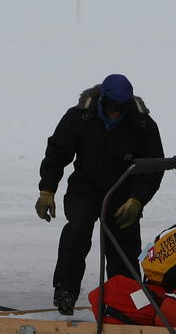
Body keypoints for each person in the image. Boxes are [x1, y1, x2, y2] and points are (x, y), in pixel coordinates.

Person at [36, 74, 165, 314]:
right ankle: (65, 291)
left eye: (121, 108)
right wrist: (47, 190)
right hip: (84, 189)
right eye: (111, 106)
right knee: (77, 230)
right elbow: (56, 154)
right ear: (101, 101)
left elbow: (153, 169)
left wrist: (137, 200)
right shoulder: (79, 117)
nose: (115, 113)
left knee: (123, 249)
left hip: (123, 194)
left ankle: (124, 304)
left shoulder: (142, 125)